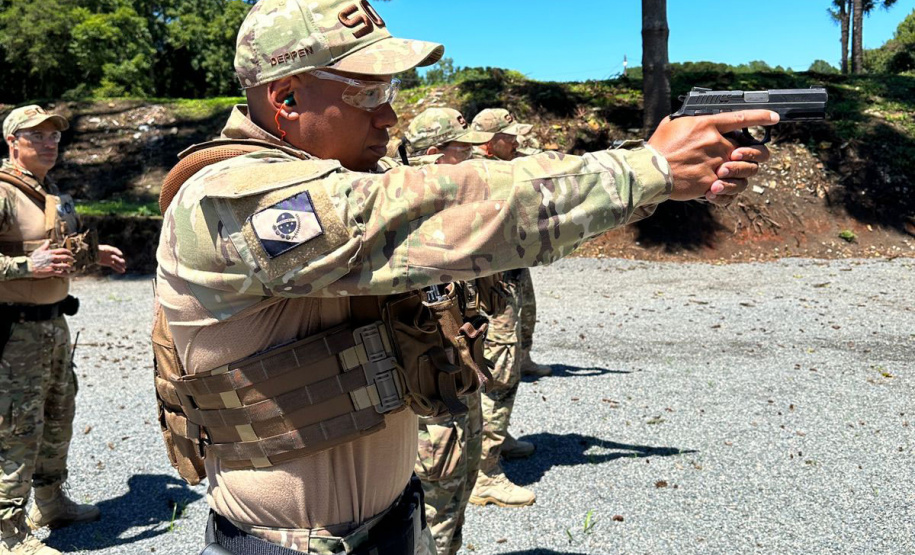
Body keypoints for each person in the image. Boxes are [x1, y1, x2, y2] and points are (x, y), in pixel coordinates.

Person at [153, 1, 774, 553]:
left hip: (395, 524)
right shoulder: (228, 199)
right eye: (368, 93)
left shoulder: (340, 176)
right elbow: (448, 209)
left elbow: (495, 214)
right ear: (286, 98)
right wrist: (646, 169)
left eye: (390, 89)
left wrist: (661, 181)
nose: (388, 116)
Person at [0, 105, 126, 555]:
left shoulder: (49, 190)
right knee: (17, 426)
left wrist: (94, 255)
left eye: (54, 135)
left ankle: (50, 503)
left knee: (58, 414)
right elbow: (32, 261)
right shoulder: (3, 192)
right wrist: (24, 266)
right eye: (37, 135)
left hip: (53, 326)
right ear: (12, 142)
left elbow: (56, 249)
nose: (49, 142)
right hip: (12, 334)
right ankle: (7, 532)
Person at [401, 107, 489, 555]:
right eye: (462, 151)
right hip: (429, 401)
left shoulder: (449, 209)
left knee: (455, 501)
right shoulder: (404, 214)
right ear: (435, 153)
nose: (472, 159)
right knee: (433, 514)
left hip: (460, 379)